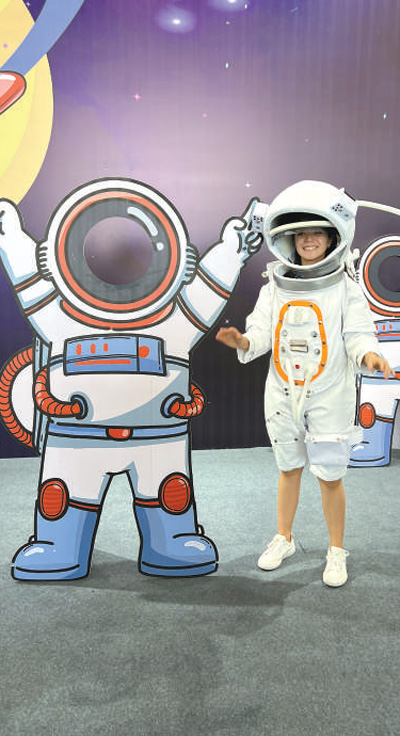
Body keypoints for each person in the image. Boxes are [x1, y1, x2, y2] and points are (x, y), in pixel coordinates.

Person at [216, 180, 394, 587]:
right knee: (289, 468)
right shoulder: (273, 288)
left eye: (317, 232)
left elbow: (358, 335)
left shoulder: (345, 289)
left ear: (332, 237)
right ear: (288, 240)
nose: (308, 240)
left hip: (329, 392)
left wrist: (369, 354)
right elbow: (261, 333)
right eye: (300, 233)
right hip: (282, 393)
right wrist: (243, 341)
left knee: (329, 475)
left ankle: (336, 549)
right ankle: (284, 538)